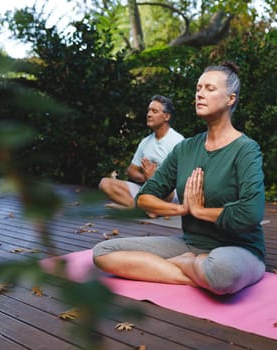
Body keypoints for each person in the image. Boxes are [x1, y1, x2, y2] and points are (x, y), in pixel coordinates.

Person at [93, 62, 266, 295]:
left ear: (230, 99)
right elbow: (144, 197)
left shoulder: (245, 149)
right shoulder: (185, 149)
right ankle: (191, 270)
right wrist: (183, 209)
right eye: (198, 88)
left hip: (238, 248)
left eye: (210, 89)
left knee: (223, 272)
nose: (200, 94)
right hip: (190, 244)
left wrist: (200, 211)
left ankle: (186, 266)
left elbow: (251, 212)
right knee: (103, 253)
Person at [98, 95, 184, 209]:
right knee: (105, 183)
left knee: (160, 189)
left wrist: (155, 178)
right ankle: (140, 208)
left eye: (154, 111)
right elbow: (131, 170)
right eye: (148, 111)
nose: (149, 114)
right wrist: (146, 178)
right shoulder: (145, 142)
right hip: (145, 187)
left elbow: (183, 177)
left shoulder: (178, 141)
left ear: (166, 116)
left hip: (168, 193)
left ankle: (143, 207)